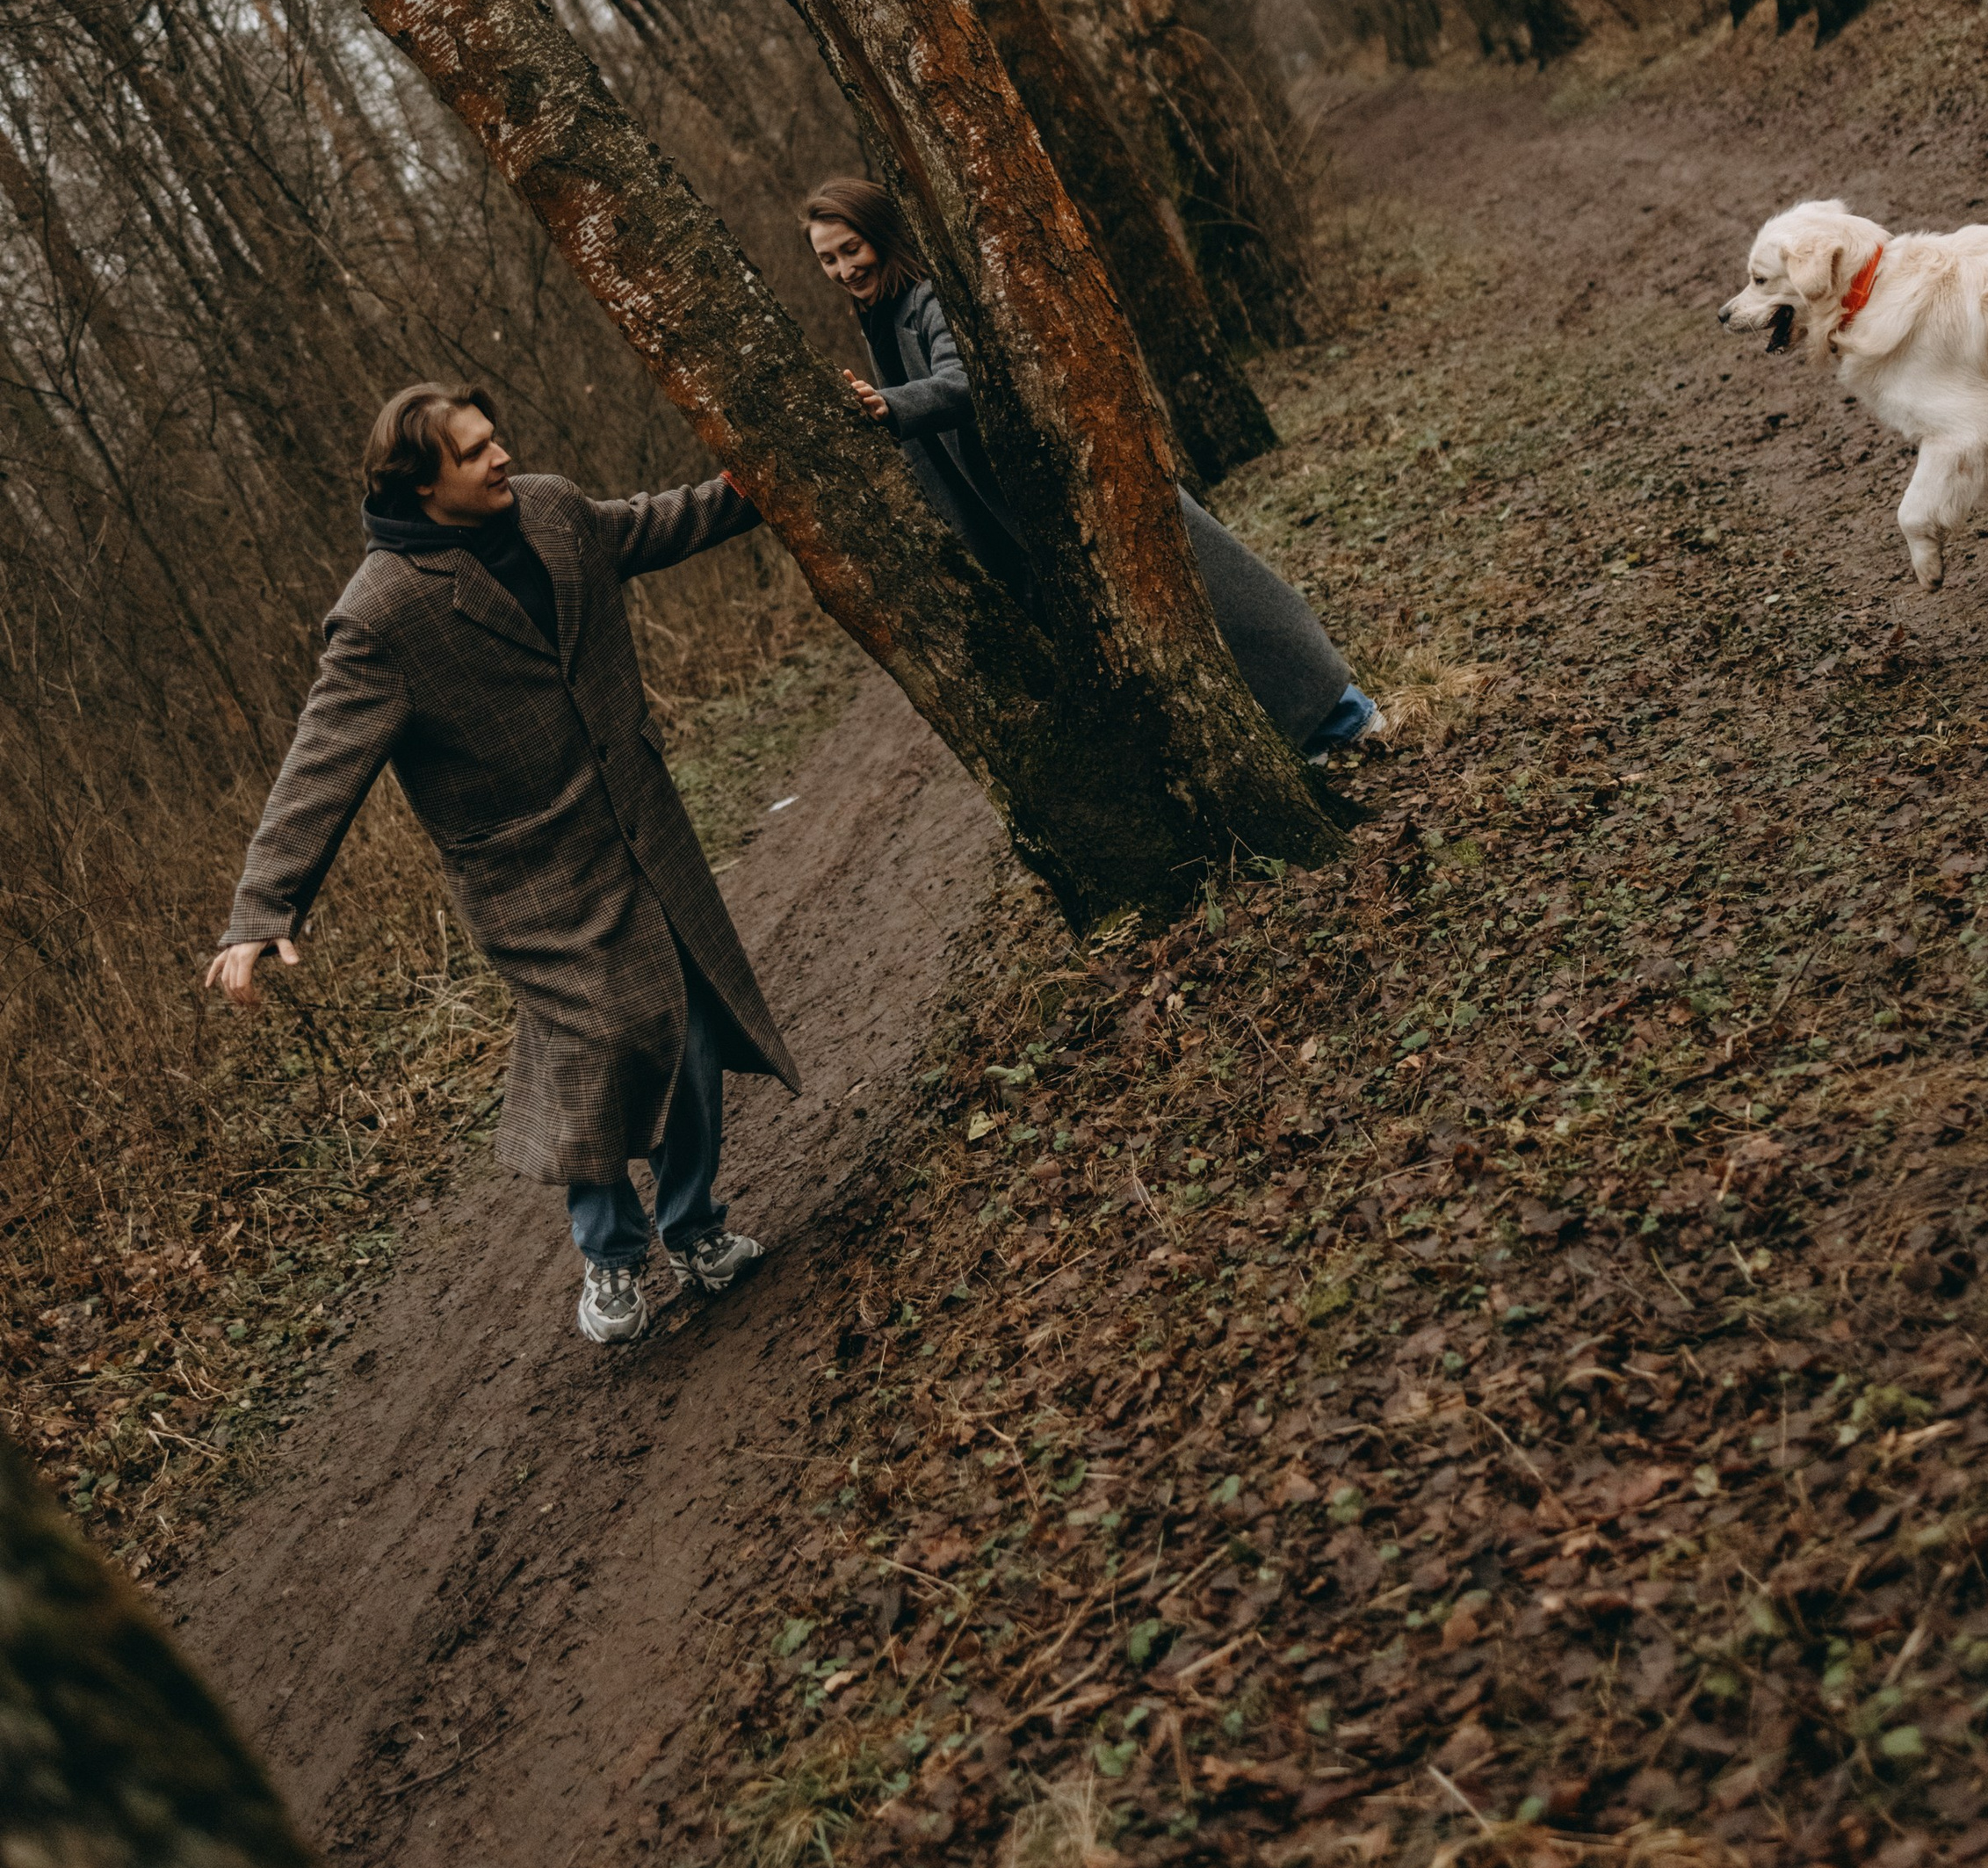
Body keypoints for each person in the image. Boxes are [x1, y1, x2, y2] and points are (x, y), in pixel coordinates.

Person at [207, 383, 799, 1350]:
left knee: (687, 1038)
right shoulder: (380, 612)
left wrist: (767, 478)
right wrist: (262, 909)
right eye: (474, 451)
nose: (500, 458)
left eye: (495, 440)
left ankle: (693, 1228)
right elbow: (319, 765)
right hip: (527, 877)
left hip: (639, 828)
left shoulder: (555, 511)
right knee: (602, 1041)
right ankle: (611, 1253)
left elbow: (662, 522)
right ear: (420, 483)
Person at [802, 177, 1382, 756]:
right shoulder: (880, 318)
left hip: (1070, 484)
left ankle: (1344, 717)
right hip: (1023, 521)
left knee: (1216, 591)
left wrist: (892, 405)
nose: (844, 270)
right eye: (828, 259)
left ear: (882, 235)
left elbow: (962, 380)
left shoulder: (926, 298)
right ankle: (1293, 740)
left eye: (852, 249)